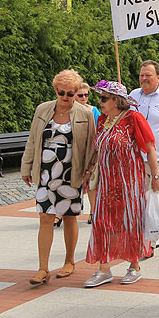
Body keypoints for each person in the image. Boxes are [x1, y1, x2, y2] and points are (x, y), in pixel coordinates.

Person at [21, 70, 96, 284]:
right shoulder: (43, 109)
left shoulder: (85, 113)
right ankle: (42, 268)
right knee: (45, 216)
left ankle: (69, 261)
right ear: (55, 90)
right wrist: (26, 167)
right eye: (61, 92)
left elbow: (91, 146)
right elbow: (33, 140)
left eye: (71, 93)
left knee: (70, 215)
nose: (66, 97)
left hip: (71, 171)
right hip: (45, 171)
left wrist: (89, 171)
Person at [84, 80, 159, 287]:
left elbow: (150, 148)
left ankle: (134, 266)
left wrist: (155, 177)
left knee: (130, 222)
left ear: (116, 101)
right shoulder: (102, 121)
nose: (99, 101)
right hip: (107, 182)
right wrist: (89, 170)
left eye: (103, 98)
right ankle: (104, 268)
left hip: (129, 182)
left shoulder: (133, 118)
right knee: (101, 222)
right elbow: (98, 149)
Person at [130, 60, 159, 248]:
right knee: (142, 195)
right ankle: (147, 231)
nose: (144, 78)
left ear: (158, 77)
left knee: (156, 192)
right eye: (141, 75)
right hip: (137, 156)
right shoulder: (132, 96)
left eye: (148, 75)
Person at [74, 82, 100, 225]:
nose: (84, 97)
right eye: (81, 95)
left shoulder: (93, 111)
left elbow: (99, 129)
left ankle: (93, 211)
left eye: (86, 95)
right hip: (75, 150)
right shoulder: (70, 111)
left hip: (90, 150)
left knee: (91, 182)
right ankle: (64, 212)